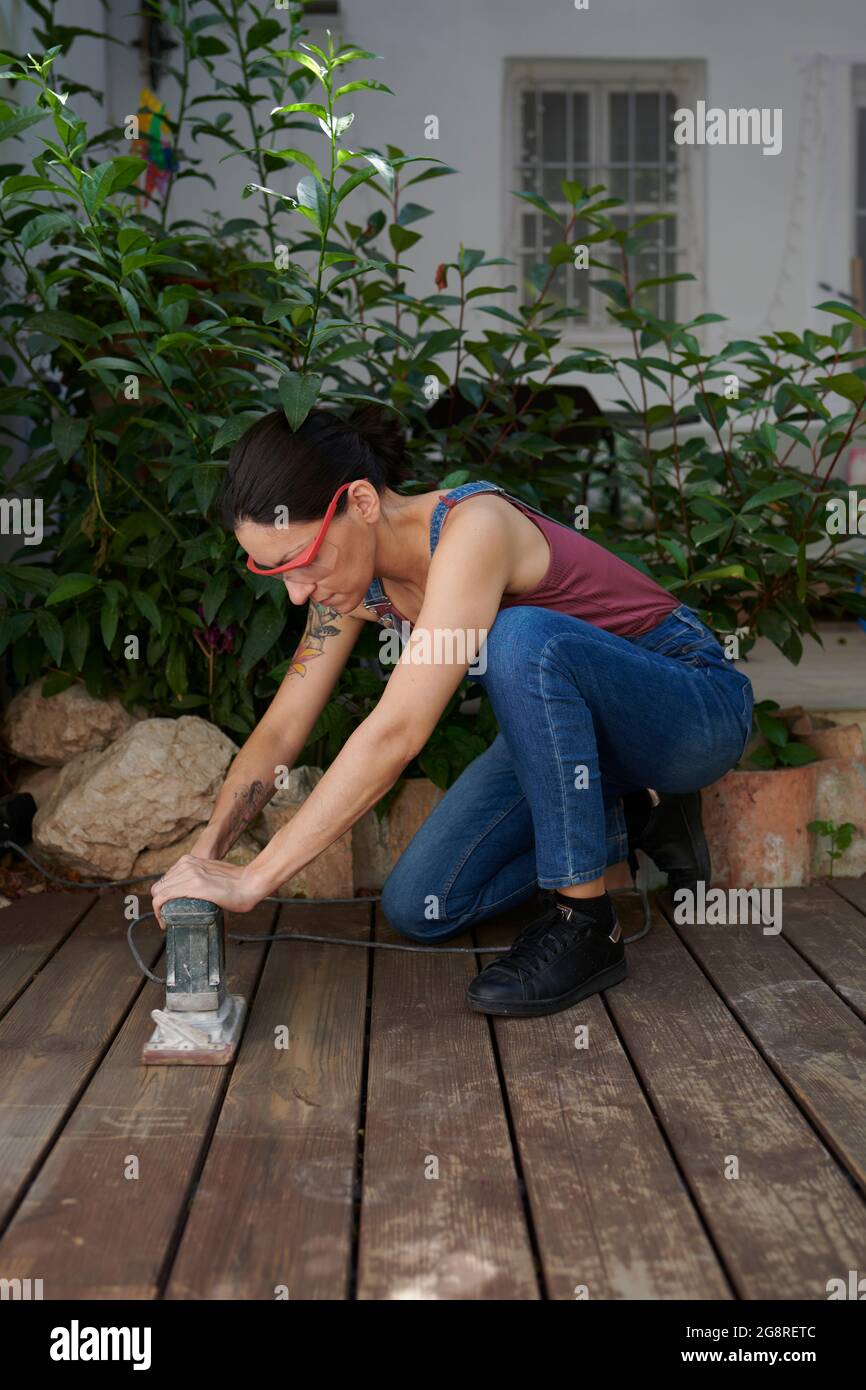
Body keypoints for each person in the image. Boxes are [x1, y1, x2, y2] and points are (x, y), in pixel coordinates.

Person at [151, 404, 754, 1018]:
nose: (298, 590)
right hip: (577, 740)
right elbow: (281, 728)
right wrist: (207, 856)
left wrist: (256, 878)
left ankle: (587, 924)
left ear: (360, 502)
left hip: (691, 704)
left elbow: (399, 732)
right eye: (274, 569)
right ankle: (635, 814)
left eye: (302, 559)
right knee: (422, 903)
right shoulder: (348, 591)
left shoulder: (474, 529)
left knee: (518, 639)